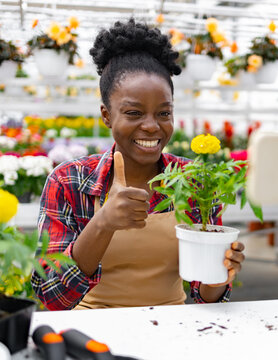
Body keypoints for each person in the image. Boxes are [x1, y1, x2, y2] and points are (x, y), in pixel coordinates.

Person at [31, 19, 246, 311]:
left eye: (163, 113)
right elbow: (50, 294)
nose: (151, 126)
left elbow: (205, 294)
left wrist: (220, 274)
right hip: (91, 331)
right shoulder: (69, 181)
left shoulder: (194, 180)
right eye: (133, 113)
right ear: (106, 115)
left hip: (171, 324)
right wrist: (103, 223)